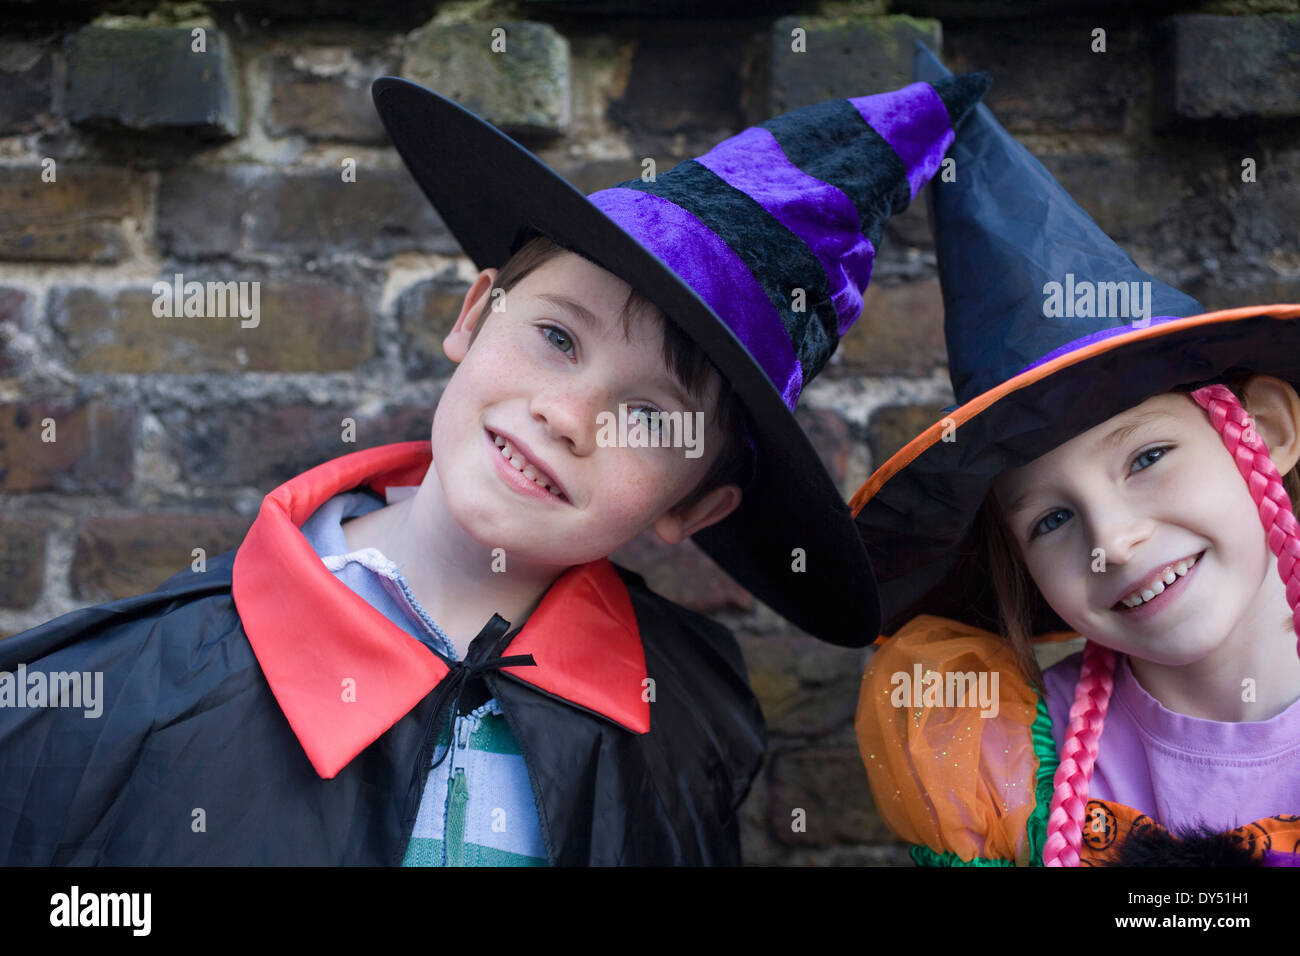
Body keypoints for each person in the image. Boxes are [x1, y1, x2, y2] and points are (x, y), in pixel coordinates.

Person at [0, 70, 989, 865]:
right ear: (472, 316)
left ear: (699, 501)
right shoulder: (106, 691)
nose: (566, 414)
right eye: (557, 336)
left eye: (648, 415)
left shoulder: (692, 721)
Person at [853, 45, 1300, 866]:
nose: (1114, 540)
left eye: (1147, 457)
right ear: (1019, 562)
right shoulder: (1007, 776)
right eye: (1052, 517)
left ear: (1263, 431)